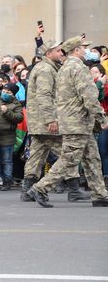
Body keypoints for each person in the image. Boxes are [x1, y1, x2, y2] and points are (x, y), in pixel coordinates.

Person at [28, 36, 108, 208]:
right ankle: (40, 188)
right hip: (77, 123)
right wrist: (101, 117)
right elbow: (89, 96)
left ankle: (100, 194)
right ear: (76, 50)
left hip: (76, 122)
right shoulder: (78, 68)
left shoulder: (65, 67)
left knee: (92, 158)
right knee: (69, 160)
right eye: (84, 48)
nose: (86, 51)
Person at [21, 40, 64, 201]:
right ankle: (71, 187)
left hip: (39, 121)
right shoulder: (46, 69)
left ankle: (27, 189)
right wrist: (51, 119)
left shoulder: (45, 67)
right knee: (68, 154)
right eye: (58, 51)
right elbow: (44, 96)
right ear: (48, 54)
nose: (61, 53)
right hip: (44, 121)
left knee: (37, 154)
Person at [0, 83, 24, 190]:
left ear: (13, 94)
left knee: (7, 161)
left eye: (8, 92)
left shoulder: (16, 104)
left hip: (8, 137)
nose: (5, 93)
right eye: (4, 91)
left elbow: (19, 118)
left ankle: (7, 182)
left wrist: (7, 112)